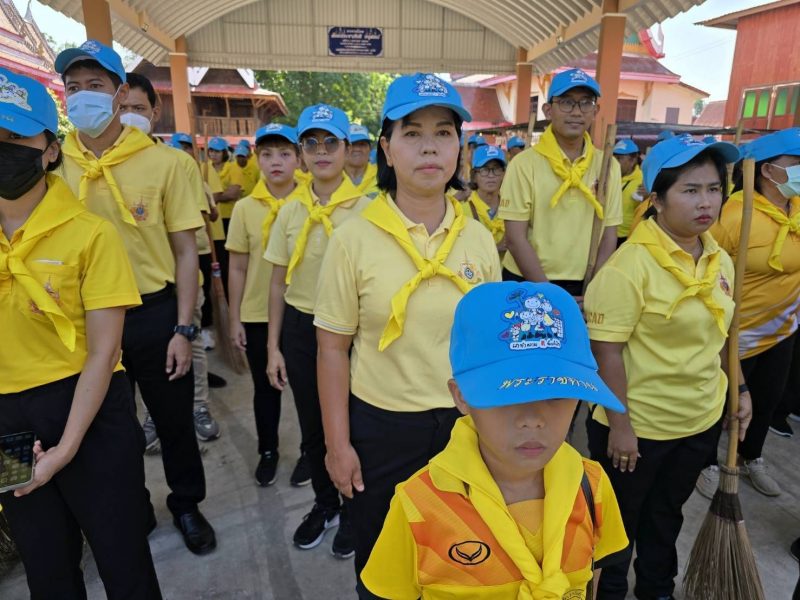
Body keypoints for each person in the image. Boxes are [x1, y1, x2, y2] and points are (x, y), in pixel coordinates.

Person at [312, 73, 502, 587]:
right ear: (387, 149)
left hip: (465, 424)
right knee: (384, 564)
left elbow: (490, 346)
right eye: (412, 133)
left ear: (460, 148)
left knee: (459, 560)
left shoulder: (479, 239)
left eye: (443, 133)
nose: (429, 147)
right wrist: (337, 445)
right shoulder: (353, 239)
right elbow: (331, 350)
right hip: (381, 427)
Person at [0, 68, 161, 598]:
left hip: (89, 410)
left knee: (124, 560)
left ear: (50, 150)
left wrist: (66, 447)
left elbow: (104, 352)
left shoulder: (92, 234)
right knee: (44, 565)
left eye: (15, 137)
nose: (3, 149)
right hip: (7, 423)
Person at [361, 282, 629, 599]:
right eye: (507, 395)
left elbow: (593, 575)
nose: (533, 418)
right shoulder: (420, 506)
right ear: (461, 396)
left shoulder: (592, 487)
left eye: (557, 393)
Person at [55, 40, 216, 555]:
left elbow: (185, 252)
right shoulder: (54, 164)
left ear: (119, 92)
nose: (83, 96)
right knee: (112, 427)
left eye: (95, 85)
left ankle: (186, 504)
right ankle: (135, 506)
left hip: (154, 312)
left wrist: (185, 328)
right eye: (73, 87)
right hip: (85, 319)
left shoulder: (166, 164)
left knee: (173, 421)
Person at [583, 134, 751, 600]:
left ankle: (657, 588)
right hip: (639, 428)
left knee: (666, 515)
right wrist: (621, 427)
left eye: (714, 189)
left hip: (698, 419)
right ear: (656, 199)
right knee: (618, 526)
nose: (706, 202)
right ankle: (608, 591)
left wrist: (739, 390)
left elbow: (724, 334)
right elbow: (606, 353)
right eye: (690, 190)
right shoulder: (627, 268)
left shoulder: (719, 259)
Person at [264, 103, 367, 558]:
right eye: (311, 143)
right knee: (312, 425)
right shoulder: (290, 212)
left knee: (353, 425)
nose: (320, 151)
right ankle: (326, 504)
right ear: (301, 152)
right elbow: (276, 282)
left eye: (330, 142)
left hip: (352, 332)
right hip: (302, 327)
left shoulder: (368, 211)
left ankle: (355, 509)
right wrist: (273, 347)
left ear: (347, 148)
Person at [119, 74, 223, 448]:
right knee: (148, 361)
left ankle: (198, 406)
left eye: (138, 108)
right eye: (122, 108)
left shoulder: (178, 163)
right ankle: (153, 416)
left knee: (188, 342)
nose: (129, 116)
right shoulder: (105, 166)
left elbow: (196, 226)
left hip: (179, 278)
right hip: (135, 287)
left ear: (154, 111)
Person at [705, 128, 800, 497]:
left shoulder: (797, 208)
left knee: (766, 397)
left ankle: (751, 456)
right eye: (796, 163)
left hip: (782, 325)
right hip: (735, 329)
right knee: (721, 399)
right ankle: (706, 462)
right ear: (768, 170)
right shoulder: (732, 214)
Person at [226, 123, 309, 487]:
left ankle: (311, 451)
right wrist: (235, 318)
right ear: (257, 159)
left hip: (304, 310)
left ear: (299, 159)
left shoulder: (311, 204)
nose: (276, 162)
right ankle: (269, 450)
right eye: (267, 154)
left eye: (285, 154)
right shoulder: (244, 208)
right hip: (258, 312)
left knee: (307, 389)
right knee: (265, 387)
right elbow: (238, 267)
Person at [499, 68, 622, 298]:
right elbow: (515, 239)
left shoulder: (607, 165)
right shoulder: (524, 164)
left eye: (586, 103)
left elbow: (609, 234)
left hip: (585, 284)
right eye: (566, 102)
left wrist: (593, 288)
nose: (576, 111)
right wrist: (551, 296)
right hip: (528, 279)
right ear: (548, 110)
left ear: (595, 111)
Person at [468, 144, 507, 254]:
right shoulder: (462, 209)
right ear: (474, 176)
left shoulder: (512, 207)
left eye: (496, 169)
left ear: (503, 174)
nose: (491, 175)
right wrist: (496, 248)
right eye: (485, 169)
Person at [613, 138, 644, 244]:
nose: (614, 162)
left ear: (632, 160)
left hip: (628, 236)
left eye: (619, 158)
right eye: (613, 158)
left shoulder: (643, 181)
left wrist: (647, 197)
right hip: (607, 232)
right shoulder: (610, 177)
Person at [345, 123, 378, 195]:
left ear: (370, 149)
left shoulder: (382, 175)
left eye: (362, 144)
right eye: (352, 144)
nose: (357, 149)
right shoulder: (331, 176)